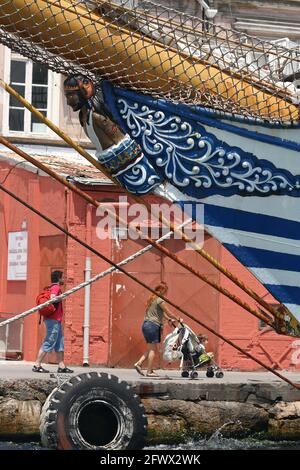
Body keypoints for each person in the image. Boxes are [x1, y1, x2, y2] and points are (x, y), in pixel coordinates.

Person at [63, 74, 164, 194]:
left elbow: (120, 140)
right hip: (121, 170)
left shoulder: (97, 117)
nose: (68, 102)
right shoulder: (84, 117)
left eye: (71, 95)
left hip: (134, 168)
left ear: (84, 90)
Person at [134, 281, 181, 377]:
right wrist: (177, 318)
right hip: (153, 325)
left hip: (146, 325)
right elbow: (168, 312)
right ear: (162, 290)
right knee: (153, 350)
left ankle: (139, 363)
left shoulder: (152, 300)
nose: (166, 293)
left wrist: (169, 319)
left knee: (151, 348)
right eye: (166, 291)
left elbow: (162, 314)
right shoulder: (160, 300)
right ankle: (149, 371)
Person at [32, 270, 73, 373]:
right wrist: (62, 297)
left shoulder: (51, 287)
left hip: (55, 320)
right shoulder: (56, 287)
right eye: (63, 277)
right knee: (49, 340)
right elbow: (52, 298)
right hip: (53, 320)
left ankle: (61, 366)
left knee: (59, 342)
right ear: (59, 278)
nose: (64, 279)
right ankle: (37, 364)